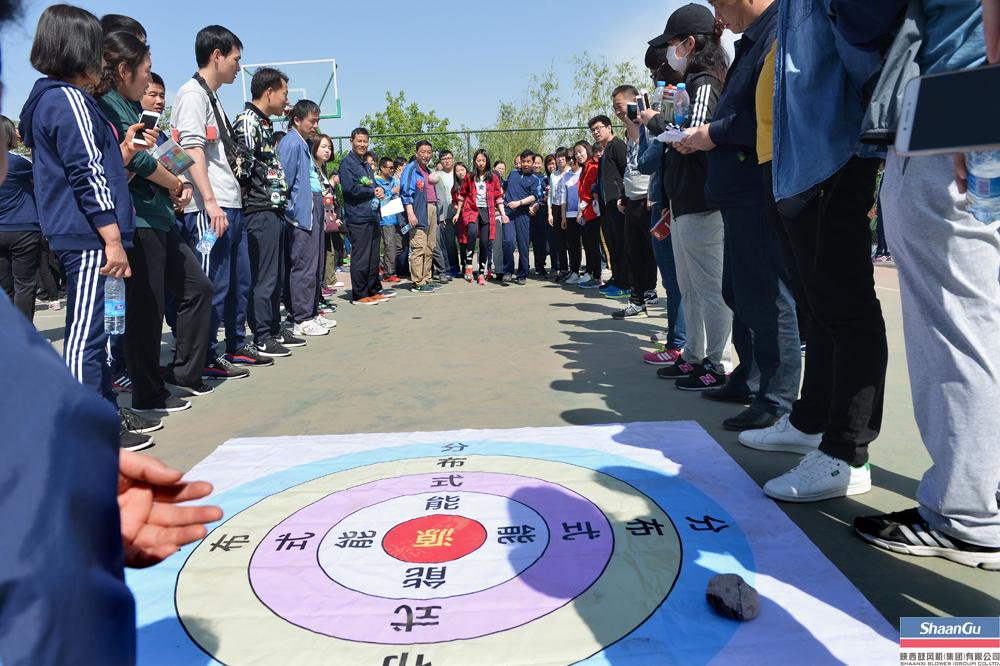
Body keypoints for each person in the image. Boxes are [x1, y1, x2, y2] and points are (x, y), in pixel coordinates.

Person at [834, 0, 999, 568]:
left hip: (961, 96)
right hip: (974, 93)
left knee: (957, 321)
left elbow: (864, 17)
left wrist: (985, 104)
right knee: (980, 316)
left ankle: (968, 514)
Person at [735, 0, 887, 503]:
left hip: (832, 158)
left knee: (845, 306)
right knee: (817, 306)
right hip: (795, 167)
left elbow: (866, 55)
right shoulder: (788, 14)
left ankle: (848, 451)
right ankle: (812, 421)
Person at [19, 4, 160, 450]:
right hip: (90, 235)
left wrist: (122, 151)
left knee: (99, 327)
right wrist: (112, 237)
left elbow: (94, 165)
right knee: (86, 334)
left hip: (84, 231)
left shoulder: (51, 98)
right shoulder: (69, 100)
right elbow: (87, 172)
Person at [678, 0, 801, 429]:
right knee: (738, 291)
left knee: (768, 296)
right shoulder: (752, 42)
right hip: (736, 191)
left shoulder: (777, 34)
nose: (718, 15)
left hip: (755, 188)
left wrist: (712, 133)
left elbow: (767, 117)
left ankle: (777, 397)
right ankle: (749, 377)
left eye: (718, 2)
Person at [96, 29, 217, 431]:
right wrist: (174, 182)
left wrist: (181, 185)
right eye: (149, 79)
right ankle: (146, 392)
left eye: (160, 92)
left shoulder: (142, 116)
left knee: (197, 288)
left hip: (162, 218)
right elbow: (138, 161)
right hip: (138, 219)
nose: (156, 92)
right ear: (123, 67)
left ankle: (182, 372)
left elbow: (172, 159)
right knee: (142, 311)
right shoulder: (109, 106)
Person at [640, 4, 733, 392]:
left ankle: (718, 361)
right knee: (690, 286)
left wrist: (654, 122)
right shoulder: (691, 84)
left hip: (703, 201)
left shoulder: (705, 82)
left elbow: (692, 138)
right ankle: (694, 355)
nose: (669, 53)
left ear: (691, 43)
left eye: (673, 43)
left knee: (710, 288)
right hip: (684, 202)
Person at [172, 24, 256, 379]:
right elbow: (189, 150)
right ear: (217, 55)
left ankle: (233, 344)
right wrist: (208, 201)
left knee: (238, 281)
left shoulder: (212, 96)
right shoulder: (191, 94)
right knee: (212, 283)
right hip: (211, 209)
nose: (238, 66)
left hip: (229, 204)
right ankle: (203, 354)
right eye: (236, 59)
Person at [233, 67, 303, 357]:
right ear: (269, 91)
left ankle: (273, 327)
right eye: (284, 93)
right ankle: (261, 334)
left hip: (273, 208)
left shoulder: (263, 123)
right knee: (263, 276)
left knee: (276, 274)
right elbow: (241, 166)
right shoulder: (247, 121)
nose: (286, 99)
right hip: (258, 209)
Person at [277, 100, 331, 335]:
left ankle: (311, 311)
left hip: (313, 205)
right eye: (312, 121)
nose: (315, 125)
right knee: (304, 265)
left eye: (317, 121)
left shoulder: (304, 143)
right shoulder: (291, 143)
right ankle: (301, 318)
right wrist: (291, 211)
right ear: (297, 120)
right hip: (301, 212)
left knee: (315, 265)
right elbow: (285, 181)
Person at [610, 85, 657, 320]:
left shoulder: (649, 127)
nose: (617, 112)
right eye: (614, 108)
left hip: (649, 201)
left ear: (633, 102)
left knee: (655, 255)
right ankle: (637, 301)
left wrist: (652, 193)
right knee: (634, 254)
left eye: (620, 106)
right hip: (632, 201)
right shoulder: (628, 132)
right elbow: (630, 167)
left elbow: (655, 162)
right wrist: (625, 196)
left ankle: (668, 310)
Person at [0, 115, 41, 321]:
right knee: (24, 285)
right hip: (23, 228)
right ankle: (24, 332)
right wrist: (28, 140)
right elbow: (41, 172)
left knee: (4, 286)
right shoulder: (16, 162)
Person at [339, 127, 386, 304]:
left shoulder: (365, 164)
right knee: (361, 257)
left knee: (373, 256)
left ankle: (373, 289)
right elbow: (349, 189)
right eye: (359, 141)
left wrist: (379, 190)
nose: (362, 144)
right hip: (358, 217)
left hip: (372, 215)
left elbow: (372, 186)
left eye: (365, 141)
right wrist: (371, 191)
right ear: (351, 141)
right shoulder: (347, 164)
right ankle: (359, 294)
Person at [589, 115, 629, 300]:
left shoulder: (618, 146)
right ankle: (617, 278)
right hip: (607, 207)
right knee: (612, 245)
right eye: (593, 130)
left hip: (619, 206)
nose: (596, 132)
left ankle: (626, 284)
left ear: (609, 127)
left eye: (599, 128)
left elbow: (627, 172)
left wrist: (623, 197)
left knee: (621, 244)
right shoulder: (605, 151)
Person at [456, 148, 505, 285]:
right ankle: (469, 266)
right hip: (472, 210)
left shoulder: (493, 178)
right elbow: (462, 195)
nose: (481, 163)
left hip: (487, 212)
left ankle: (482, 272)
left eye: (483, 160)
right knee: (471, 233)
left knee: (484, 242)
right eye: (478, 160)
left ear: (487, 161)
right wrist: (458, 213)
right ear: (475, 162)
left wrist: (503, 214)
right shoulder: (470, 177)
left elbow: (498, 197)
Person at [401, 140, 437, 292]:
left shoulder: (428, 171)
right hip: (418, 211)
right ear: (416, 153)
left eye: (429, 152)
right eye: (423, 152)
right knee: (419, 246)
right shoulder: (411, 169)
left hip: (432, 209)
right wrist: (410, 213)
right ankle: (417, 282)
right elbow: (406, 193)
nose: (426, 155)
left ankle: (426, 278)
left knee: (430, 247)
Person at [502, 150, 540, 285]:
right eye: (523, 161)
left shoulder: (535, 179)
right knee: (508, 241)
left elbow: (534, 196)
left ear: (533, 162)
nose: (525, 164)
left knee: (523, 245)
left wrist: (519, 203)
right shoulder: (513, 174)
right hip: (509, 214)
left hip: (523, 215)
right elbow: (503, 189)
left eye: (529, 161)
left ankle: (522, 274)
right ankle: (507, 271)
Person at [575, 140, 603, 288]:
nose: (578, 155)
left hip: (593, 212)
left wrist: (581, 210)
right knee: (590, 246)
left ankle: (597, 277)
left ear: (587, 150)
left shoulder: (593, 166)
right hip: (588, 212)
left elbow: (588, 191)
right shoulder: (585, 167)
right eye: (576, 153)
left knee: (595, 246)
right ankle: (593, 274)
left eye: (580, 151)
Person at [432, 150, 459, 279]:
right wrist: (440, 215)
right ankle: (452, 267)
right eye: (444, 159)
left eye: (449, 158)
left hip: (460, 212)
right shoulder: (436, 175)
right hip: (446, 214)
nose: (447, 161)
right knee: (449, 242)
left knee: (464, 241)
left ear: (453, 159)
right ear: (440, 161)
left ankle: (467, 267)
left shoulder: (459, 172)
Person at [375, 156, 402, 284]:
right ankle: (389, 273)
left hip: (396, 216)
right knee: (390, 246)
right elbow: (379, 200)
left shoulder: (393, 180)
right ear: (382, 167)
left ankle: (383, 264)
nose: (392, 170)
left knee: (399, 246)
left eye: (393, 167)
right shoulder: (376, 181)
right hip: (386, 219)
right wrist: (391, 192)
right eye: (390, 167)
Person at [558, 148, 583, 285]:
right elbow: (563, 199)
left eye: (573, 158)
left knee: (588, 244)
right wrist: (563, 217)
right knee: (572, 245)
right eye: (569, 159)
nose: (572, 161)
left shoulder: (583, 172)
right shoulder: (566, 176)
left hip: (583, 214)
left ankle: (592, 272)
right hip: (569, 215)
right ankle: (574, 271)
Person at [548, 149, 569, 281]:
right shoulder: (553, 175)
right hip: (556, 208)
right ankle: (563, 269)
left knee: (570, 241)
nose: (560, 159)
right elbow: (550, 194)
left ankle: (574, 269)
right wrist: (549, 213)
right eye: (558, 157)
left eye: (563, 157)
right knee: (559, 241)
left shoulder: (570, 172)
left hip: (568, 207)